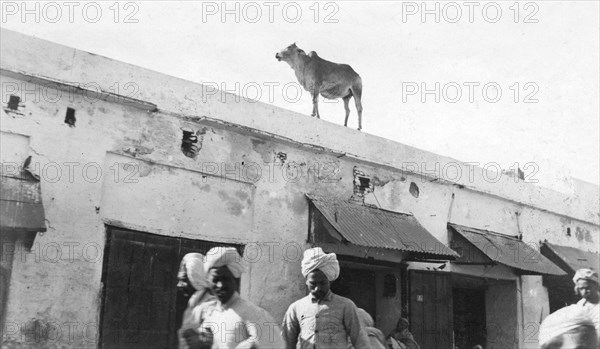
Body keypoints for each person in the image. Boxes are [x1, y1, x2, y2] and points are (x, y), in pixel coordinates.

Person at [187, 246, 285, 349]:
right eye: (215, 280)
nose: (220, 285)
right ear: (208, 282)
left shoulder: (252, 313)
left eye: (226, 279)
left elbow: (276, 344)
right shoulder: (210, 314)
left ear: (235, 280)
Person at [281, 247, 370, 349]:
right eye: (313, 283)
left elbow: (360, 340)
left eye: (322, 283)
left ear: (330, 281)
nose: (317, 288)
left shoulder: (345, 306)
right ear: (306, 281)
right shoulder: (296, 308)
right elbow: (286, 342)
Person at [177, 253, 216, 349]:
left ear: (195, 279)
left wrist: (199, 341)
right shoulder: (192, 306)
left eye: (183, 280)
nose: (179, 285)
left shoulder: (211, 305)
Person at [573, 268, 599, 341]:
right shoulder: (580, 305)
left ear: (596, 286)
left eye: (588, 288)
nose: (584, 292)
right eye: (581, 289)